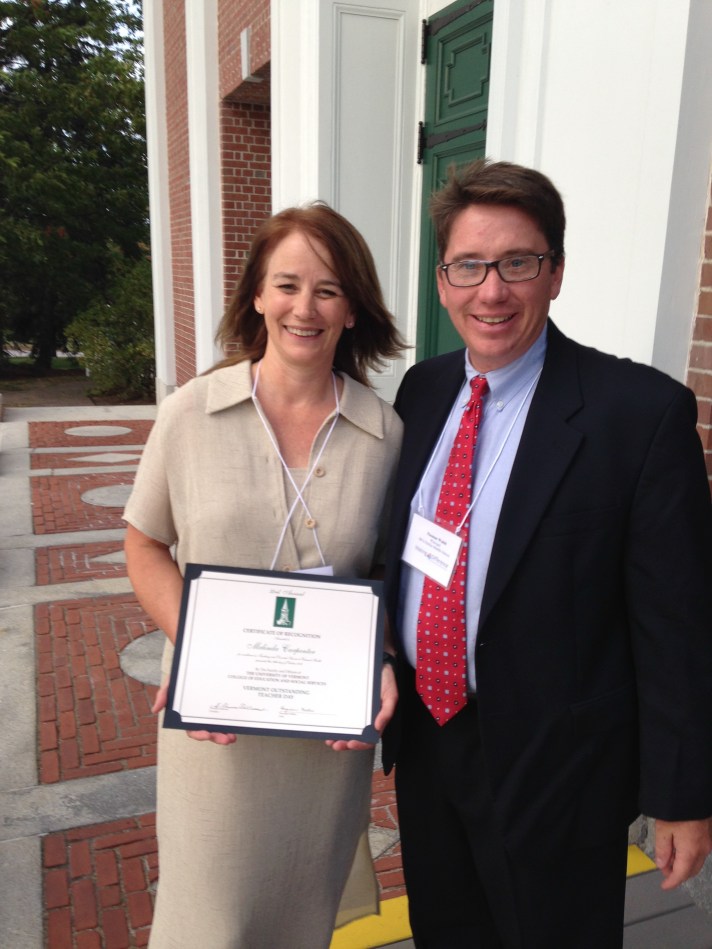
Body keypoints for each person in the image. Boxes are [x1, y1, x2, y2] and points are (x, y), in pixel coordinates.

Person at [382, 158, 712, 948]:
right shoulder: (420, 394)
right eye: (470, 265)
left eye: (518, 263)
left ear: (555, 273)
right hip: (430, 750)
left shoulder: (639, 414)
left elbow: (678, 625)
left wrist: (683, 794)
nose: (491, 291)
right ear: (442, 281)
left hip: (557, 773)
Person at [124, 202, 403, 949]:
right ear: (256, 295)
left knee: (297, 918)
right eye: (286, 285)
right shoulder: (190, 412)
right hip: (217, 731)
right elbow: (144, 543)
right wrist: (201, 650)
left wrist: (377, 658)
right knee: (207, 923)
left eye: (327, 289)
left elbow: (384, 566)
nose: (304, 308)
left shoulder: (384, 432)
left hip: (324, 741)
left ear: (353, 310)